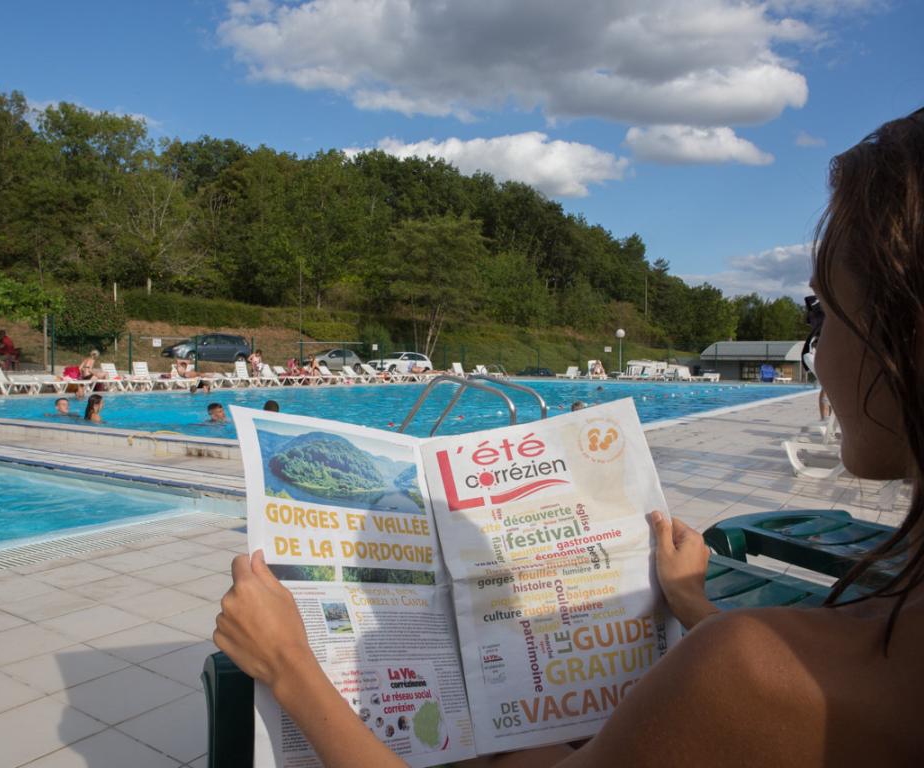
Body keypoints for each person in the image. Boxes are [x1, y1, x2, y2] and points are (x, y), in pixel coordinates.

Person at [214, 109, 924, 766]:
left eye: (822, 313)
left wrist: (289, 666)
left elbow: (758, 690)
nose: (816, 353)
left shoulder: (746, 671)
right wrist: (695, 608)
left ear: (902, 341)